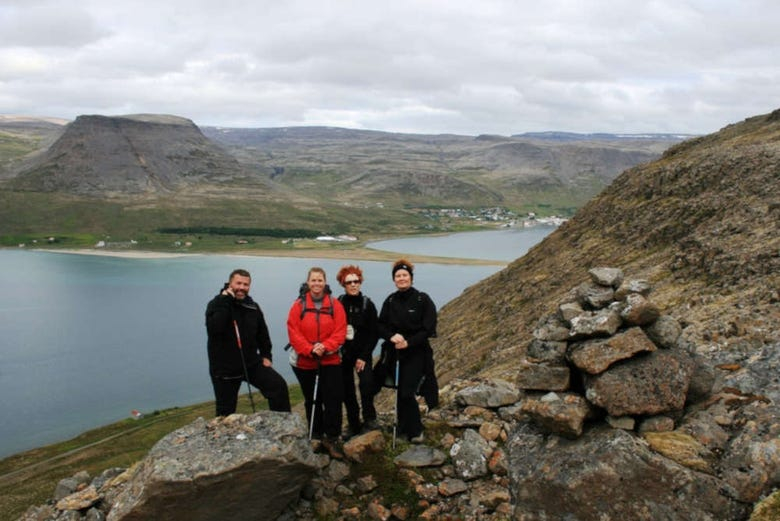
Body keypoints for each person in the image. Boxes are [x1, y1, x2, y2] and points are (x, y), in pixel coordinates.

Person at [205, 268, 291, 416]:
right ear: (229, 283)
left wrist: (266, 356)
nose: (242, 288)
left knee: (278, 386)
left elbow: (262, 334)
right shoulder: (216, 304)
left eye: (246, 284)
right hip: (225, 368)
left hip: (251, 363)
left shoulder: (252, 306)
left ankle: (282, 424)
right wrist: (225, 300)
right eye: (238, 283)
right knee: (226, 411)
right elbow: (215, 329)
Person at [374, 259, 438, 443]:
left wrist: (408, 343)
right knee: (399, 389)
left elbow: (428, 328)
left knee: (407, 391)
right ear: (394, 279)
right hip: (395, 353)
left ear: (411, 277)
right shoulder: (391, 300)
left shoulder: (422, 299)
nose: (401, 279)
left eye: (404, 275)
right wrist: (391, 336)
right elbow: (380, 325)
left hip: (417, 353)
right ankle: (403, 428)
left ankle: (416, 431)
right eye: (398, 276)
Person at [287, 267, 347, 458]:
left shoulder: (335, 305)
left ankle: (333, 436)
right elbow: (293, 331)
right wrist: (310, 349)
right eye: (313, 280)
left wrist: (325, 346)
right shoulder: (299, 305)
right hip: (306, 362)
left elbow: (340, 331)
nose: (316, 284)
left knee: (333, 399)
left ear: (325, 282)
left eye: (320, 280)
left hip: (330, 360)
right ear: (308, 282)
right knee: (312, 399)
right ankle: (315, 434)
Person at [336, 265, 380, 438]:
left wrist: (363, 356)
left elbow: (374, 333)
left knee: (366, 385)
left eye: (356, 281)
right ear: (343, 284)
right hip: (344, 354)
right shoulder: (338, 303)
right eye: (349, 282)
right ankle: (354, 423)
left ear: (360, 283)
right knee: (347, 391)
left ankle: (370, 419)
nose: (353, 285)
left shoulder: (368, 305)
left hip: (363, 354)